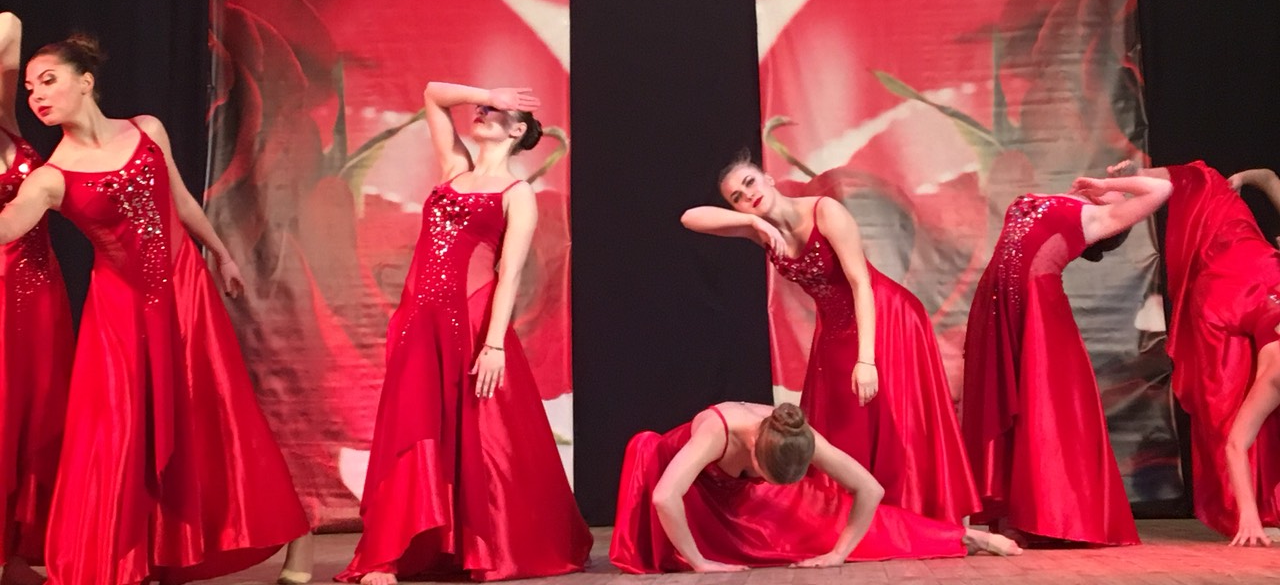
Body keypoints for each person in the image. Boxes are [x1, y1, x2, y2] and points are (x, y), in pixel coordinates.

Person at [0, 35, 311, 585]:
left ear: (86, 81)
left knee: (218, 415)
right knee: (119, 434)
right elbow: (10, 224)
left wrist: (221, 254)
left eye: (47, 81)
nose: (36, 96)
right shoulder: (50, 176)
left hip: (184, 291)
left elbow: (181, 201)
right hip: (117, 313)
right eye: (28, 89)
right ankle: (126, 557)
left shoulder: (147, 129)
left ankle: (298, 542)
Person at [337, 82, 591, 585]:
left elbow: (509, 273)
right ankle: (391, 553)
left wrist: (494, 343)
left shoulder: (518, 194)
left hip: (472, 324)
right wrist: (489, 91)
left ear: (517, 132)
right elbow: (433, 94)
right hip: (420, 322)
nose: (482, 110)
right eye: (483, 107)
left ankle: (484, 545)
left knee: (482, 438)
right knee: (413, 428)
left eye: (495, 111)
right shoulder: (453, 169)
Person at [680, 155, 980, 524]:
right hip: (835, 330)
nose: (748, 196)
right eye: (737, 197)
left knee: (895, 419)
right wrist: (750, 222)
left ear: (768, 180)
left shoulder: (825, 212)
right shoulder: (761, 230)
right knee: (842, 424)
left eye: (750, 183)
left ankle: (913, 516)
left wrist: (866, 360)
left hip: (885, 318)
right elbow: (690, 218)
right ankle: (859, 518)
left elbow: (861, 284)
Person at [962, 174, 1172, 545]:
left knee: (1041, 406)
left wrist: (1103, 183)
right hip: (997, 304)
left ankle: (1048, 516)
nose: (1120, 191)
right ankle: (1010, 515)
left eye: (1123, 194)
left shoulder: (1098, 219)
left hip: (1037, 309)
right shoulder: (1071, 204)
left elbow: (1161, 188)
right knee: (1008, 399)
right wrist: (1090, 190)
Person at [609, 400, 1020, 573]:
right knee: (784, 540)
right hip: (692, 503)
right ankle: (708, 550)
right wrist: (700, 563)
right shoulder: (719, 431)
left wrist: (838, 553)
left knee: (837, 525)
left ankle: (964, 536)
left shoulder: (800, 435)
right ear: (754, 453)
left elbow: (870, 490)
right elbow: (665, 496)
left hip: (742, 501)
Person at [1118, 160, 1280, 545]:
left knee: (1227, 407)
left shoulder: (1274, 374)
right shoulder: (1276, 376)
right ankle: (1138, 175)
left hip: (1233, 284)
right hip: (1237, 272)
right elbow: (1269, 178)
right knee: (1206, 179)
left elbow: (1236, 442)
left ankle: (1250, 511)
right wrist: (1242, 179)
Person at [0, 14, 74, 585]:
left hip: (42, 290)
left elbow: (8, 24)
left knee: (42, 413)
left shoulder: (5, 116)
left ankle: (24, 544)